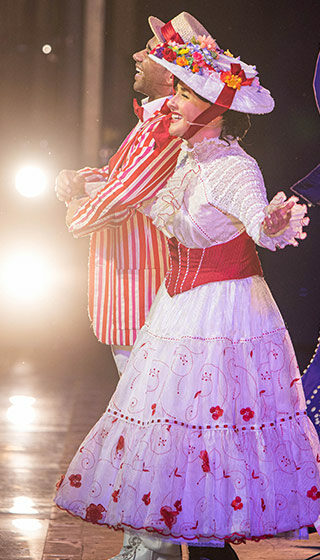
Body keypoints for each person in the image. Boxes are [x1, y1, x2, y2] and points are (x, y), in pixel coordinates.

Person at [55, 35, 320, 560]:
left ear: (215, 109)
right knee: (177, 450)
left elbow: (261, 226)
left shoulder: (233, 167)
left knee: (209, 442)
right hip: (175, 311)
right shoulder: (186, 159)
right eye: (174, 88)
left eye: (184, 92)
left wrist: (273, 221)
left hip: (223, 317)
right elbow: (134, 192)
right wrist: (84, 185)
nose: (171, 101)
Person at [55, 12, 212, 560]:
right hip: (136, 289)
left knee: (148, 430)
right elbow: (124, 179)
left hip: (144, 294)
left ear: (172, 73)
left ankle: (152, 547)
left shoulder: (168, 123)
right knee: (148, 426)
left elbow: (126, 194)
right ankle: (151, 542)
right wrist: (87, 179)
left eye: (148, 52)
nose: (138, 57)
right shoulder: (157, 121)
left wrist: (79, 209)